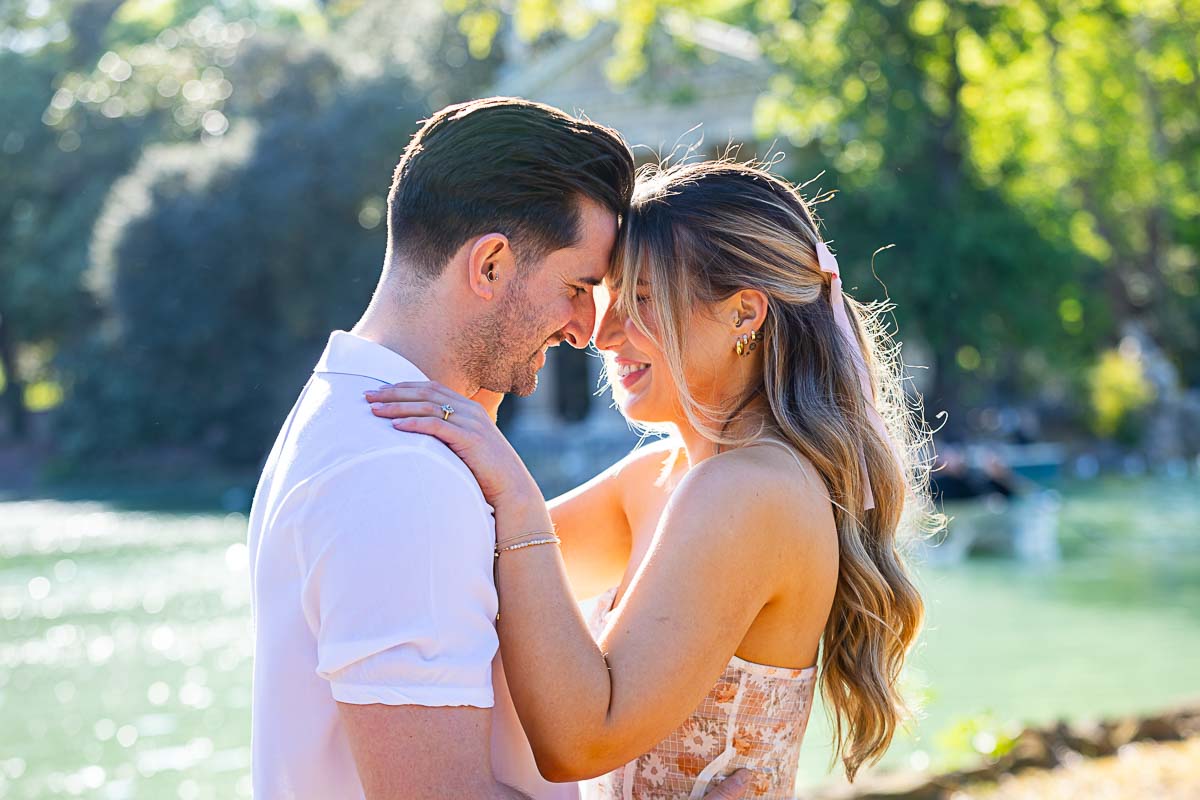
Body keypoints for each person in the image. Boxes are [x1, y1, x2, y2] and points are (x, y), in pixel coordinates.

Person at [365, 159, 936, 798]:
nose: (603, 335)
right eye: (611, 296)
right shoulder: (661, 477)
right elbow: (469, 575)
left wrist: (516, 491)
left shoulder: (750, 492)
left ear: (743, 313)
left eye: (641, 300)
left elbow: (580, 741)